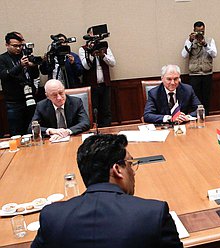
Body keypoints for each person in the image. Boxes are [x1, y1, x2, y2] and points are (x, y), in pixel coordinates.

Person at [31, 134, 183, 248]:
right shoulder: (154, 213)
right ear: (117, 169)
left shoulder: (52, 217)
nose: (134, 172)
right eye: (130, 164)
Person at [0, 31, 39, 135]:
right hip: (14, 102)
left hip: (30, 98)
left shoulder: (26, 55)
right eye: (15, 46)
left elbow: (35, 76)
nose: (18, 48)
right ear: (7, 45)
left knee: (33, 129)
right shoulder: (2, 59)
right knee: (17, 132)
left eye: (20, 46)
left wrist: (33, 66)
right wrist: (20, 66)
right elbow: (5, 76)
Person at [79, 26, 116, 127]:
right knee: (93, 110)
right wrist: (91, 54)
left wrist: (103, 55)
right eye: (92, 33)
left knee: (106, 110)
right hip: (91, 86)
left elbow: (113, 63)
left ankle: (108, 132)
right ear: (88, 35)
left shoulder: (105, 46)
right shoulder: (83, 49)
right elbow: (85, 67)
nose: (95, 35)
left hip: (105, 85)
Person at [181, 21, 217, 115]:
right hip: (194, 74)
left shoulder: (210, 40)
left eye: (202, 31)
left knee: (206, 99)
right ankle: (196, 117)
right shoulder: (189, 41)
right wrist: (190, 41)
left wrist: (205, 45)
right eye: (198, 31)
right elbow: (184, 55)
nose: (200, 33)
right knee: (195, 99)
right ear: (194, 30)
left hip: (207, 74)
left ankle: (207, 117)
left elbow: (214, 54)